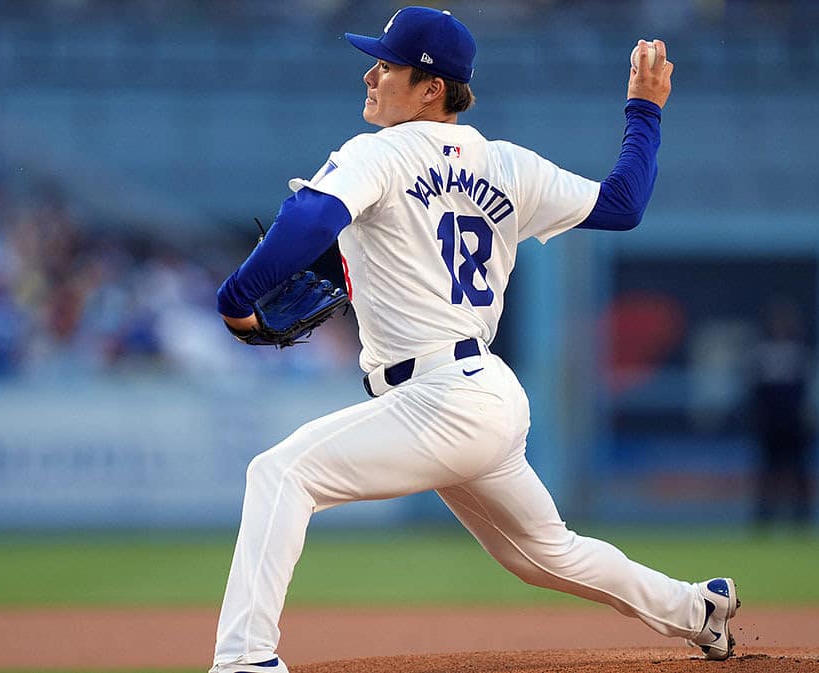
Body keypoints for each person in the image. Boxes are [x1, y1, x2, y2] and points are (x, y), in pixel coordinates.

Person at [211, 8, 738, 672]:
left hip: (438, 398)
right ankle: (699, 609)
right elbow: (622, 204)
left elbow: (311, 216)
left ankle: (244, 660)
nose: (370, 73)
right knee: (547, 553)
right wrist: (644, 111)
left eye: (386, 63)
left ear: (432, 87)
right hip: (483, 392)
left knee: (280, 472)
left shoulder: (378, 153)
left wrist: (235, 300)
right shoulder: (507, 165)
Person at [750, 298, 813, 530]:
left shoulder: (799, 352)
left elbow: (806, 390)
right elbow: (755, 391)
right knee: (769, 473)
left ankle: (802, 518)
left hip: (794, 423)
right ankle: (765, 517)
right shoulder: (762, 352)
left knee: (798, 472)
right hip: (771, 424)